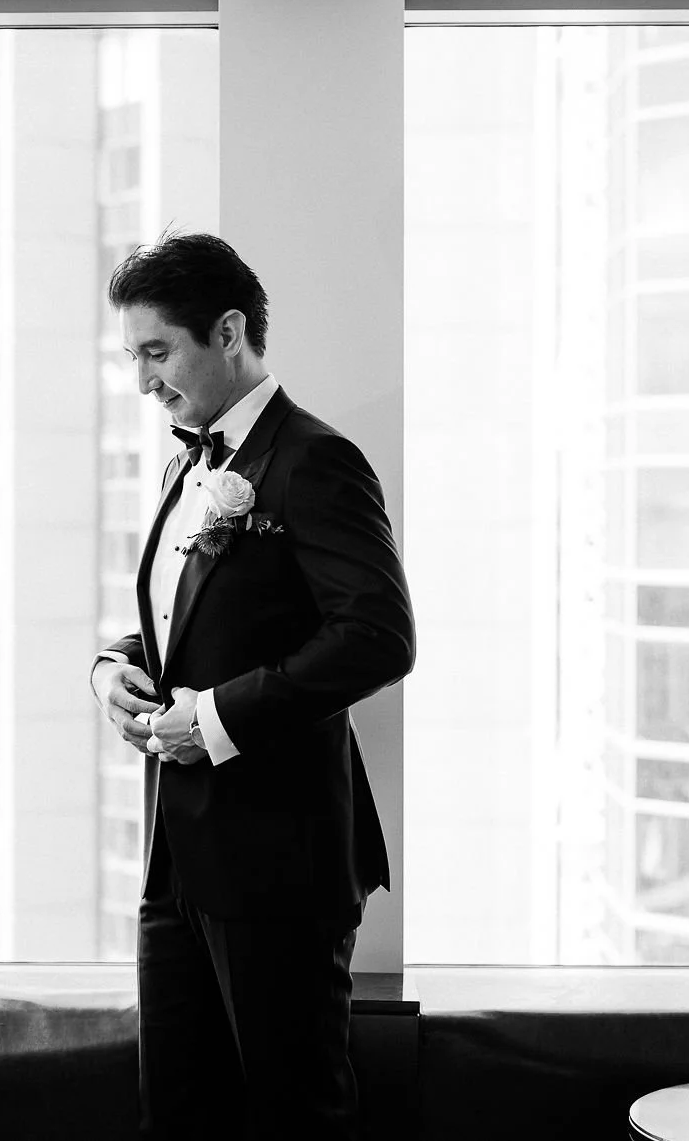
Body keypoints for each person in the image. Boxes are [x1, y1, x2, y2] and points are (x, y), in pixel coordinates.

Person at [89, 232, 415, 1140]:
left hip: (280, 866)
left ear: (228, 332)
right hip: (173, 861)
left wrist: (215, 719)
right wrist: (111, 667)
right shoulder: (183, 465)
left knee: (294, 1120)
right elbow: (185, 624)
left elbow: (377, 636)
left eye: (157, 352)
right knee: (177, 1117)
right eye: (132, 357)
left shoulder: (314, 459)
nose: (143, 381)